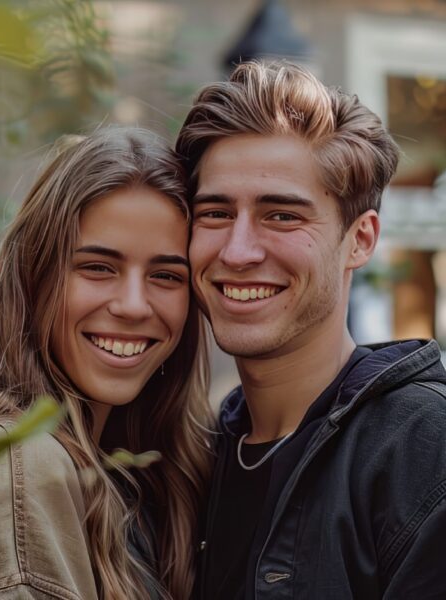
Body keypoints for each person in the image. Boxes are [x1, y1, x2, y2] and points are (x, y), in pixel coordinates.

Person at [0, 128, 214, 600]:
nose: (133, 305)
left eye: (165, 275)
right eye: (98, 267)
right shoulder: (21, 470)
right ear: (34, 277)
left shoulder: (133, 475)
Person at [176, 60, 446, 599]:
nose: (238, 251)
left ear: (361, 240)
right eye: (215, 213)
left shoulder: (425, 451)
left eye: (282, 216)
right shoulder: (195, 461)